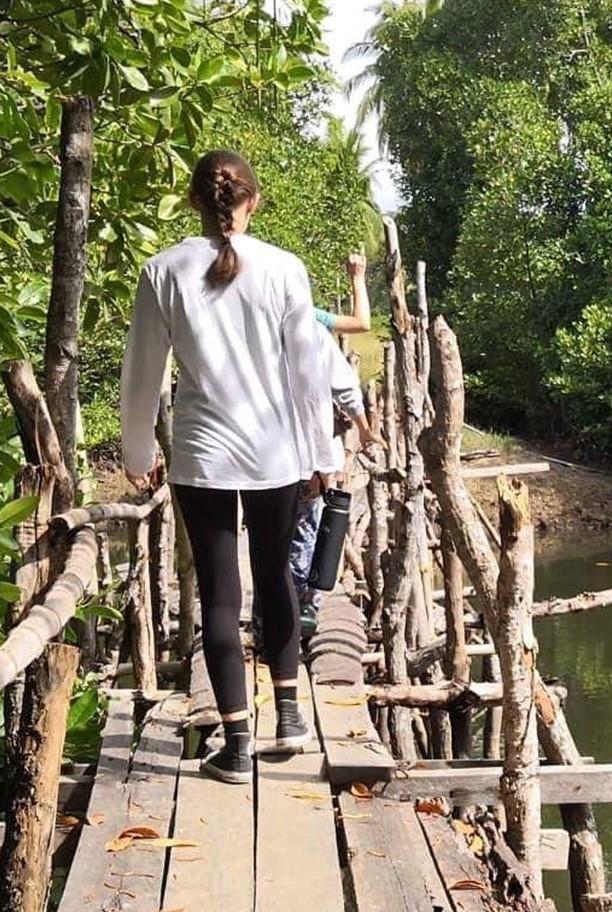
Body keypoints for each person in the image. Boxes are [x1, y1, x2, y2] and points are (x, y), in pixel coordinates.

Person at [120, 149, 360, 784]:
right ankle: (289, 718)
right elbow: (307, 373)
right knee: (277, 574)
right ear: (251, 200)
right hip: (276, 451)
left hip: (201, 456)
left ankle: (235, 747)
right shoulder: (285, 270)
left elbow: (142, 375)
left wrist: (138, 452)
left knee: (221, 595)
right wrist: (322, 453)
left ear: (196, 201)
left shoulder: (162, 270)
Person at [292, 253, 375, 637]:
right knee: (305, 528)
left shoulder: (256, 325)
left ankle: (279, 608)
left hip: (260, 454)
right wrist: (365, 427)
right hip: (304, 451)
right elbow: (344, 385)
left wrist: (357, 277)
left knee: (277, 529)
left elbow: (359, 324)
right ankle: (299, 607)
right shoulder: (309, 325)